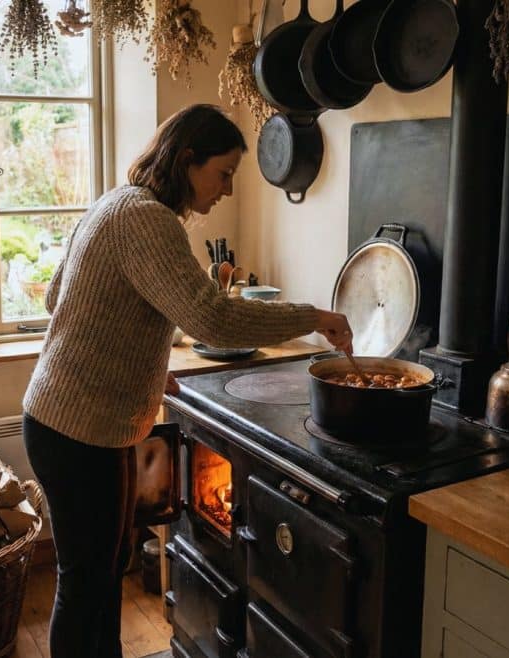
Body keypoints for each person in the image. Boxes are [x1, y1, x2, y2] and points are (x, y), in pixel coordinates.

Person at [21, 104, 354, 658]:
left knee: (105, 571)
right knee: (86, 584)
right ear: (187, 160)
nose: (227, 189)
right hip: (75, 433)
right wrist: (313, 317)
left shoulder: (114, 203)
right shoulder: (147, 219)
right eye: (223, 173)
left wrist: (145, 372)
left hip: (69, 422)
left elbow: (61, 297)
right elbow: (212, 319)